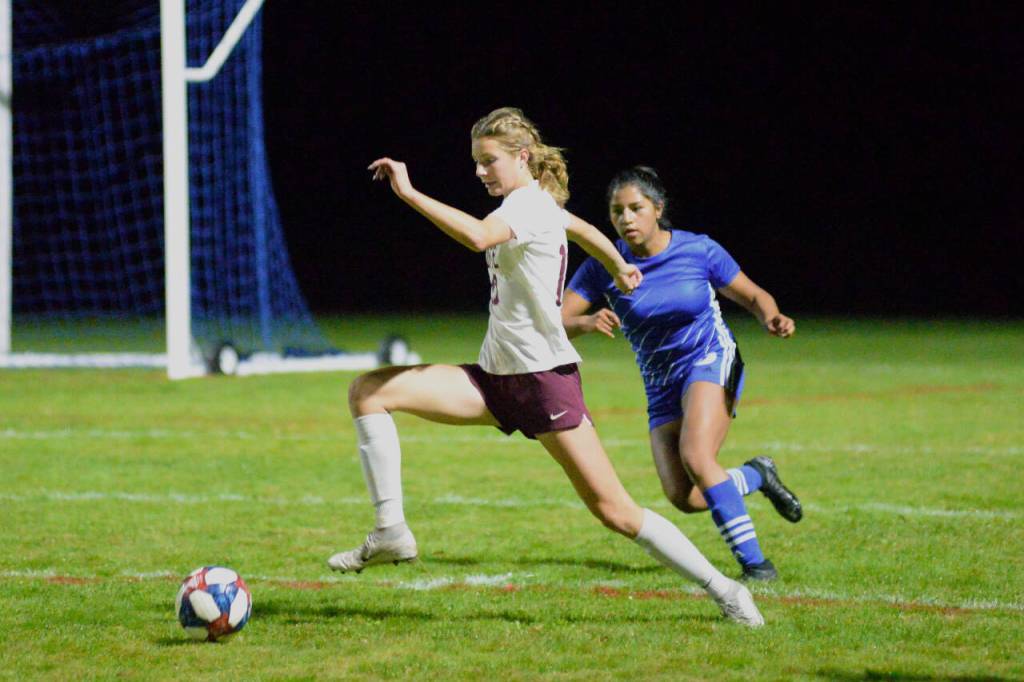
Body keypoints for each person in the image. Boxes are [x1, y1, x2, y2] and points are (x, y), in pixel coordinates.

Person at [327, 108, 764, 626]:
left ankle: (727, 591)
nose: (480, 171)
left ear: (522, 157)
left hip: (542, 384)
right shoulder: (539, 205)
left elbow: (478, 237)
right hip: (493, 380)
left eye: (489, 161)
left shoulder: (527, 206)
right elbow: (582, 228)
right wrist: (618, 264)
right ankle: (391, 531)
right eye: (476, 162)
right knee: (369, 391)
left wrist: (408, 193)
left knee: (616, 512)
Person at [562, 166, 802, 582]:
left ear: (658, 208)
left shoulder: (698, 250)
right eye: (617, 211)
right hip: (660, 383)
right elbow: (556, 320)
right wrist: (584, 322)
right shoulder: (604, 264)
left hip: (710, 359)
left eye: (636, 208)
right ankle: (756, 474)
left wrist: (771, 316)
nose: (626, 219)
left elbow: (752, 294)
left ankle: (757, 567)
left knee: (697, 457)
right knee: (684, 496)